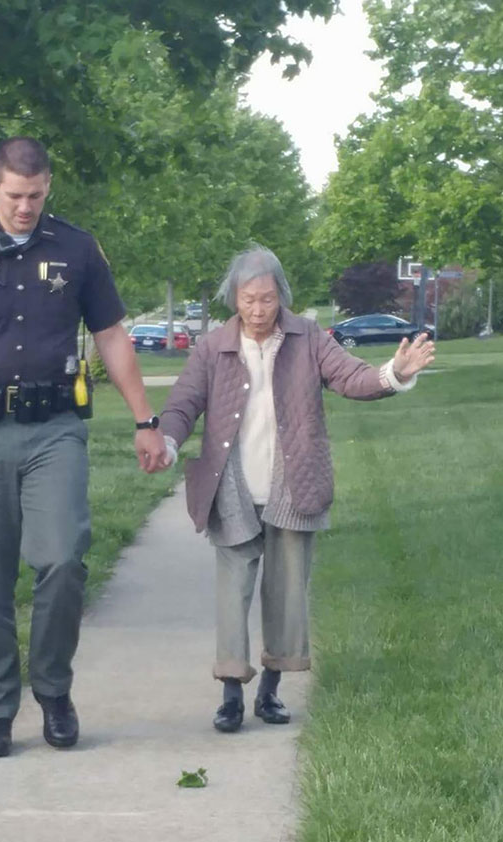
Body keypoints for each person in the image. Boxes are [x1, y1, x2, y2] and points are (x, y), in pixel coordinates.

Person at [0, 137, 167, 757]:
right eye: (16, 195)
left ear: (50, 187)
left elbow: (111, 335)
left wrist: (144, 419)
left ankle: (52, 689)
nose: (26, 207)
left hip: (54, 429)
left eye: (37, 195)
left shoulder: (77, 248)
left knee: (64, 556)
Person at [159, 246, 435, 733]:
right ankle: (230, 695)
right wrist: (165, 437)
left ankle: (270, 691)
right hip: (233, 487)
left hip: (294, 483)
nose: (259, 310)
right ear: (234, 299)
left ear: (281, 296)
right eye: (249, 299)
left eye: (267, 299)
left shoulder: (308, 337)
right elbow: (184, 402)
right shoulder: (213, 346)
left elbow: (351, 377)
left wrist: (394, 374)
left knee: (287, 594)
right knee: (232, 592)